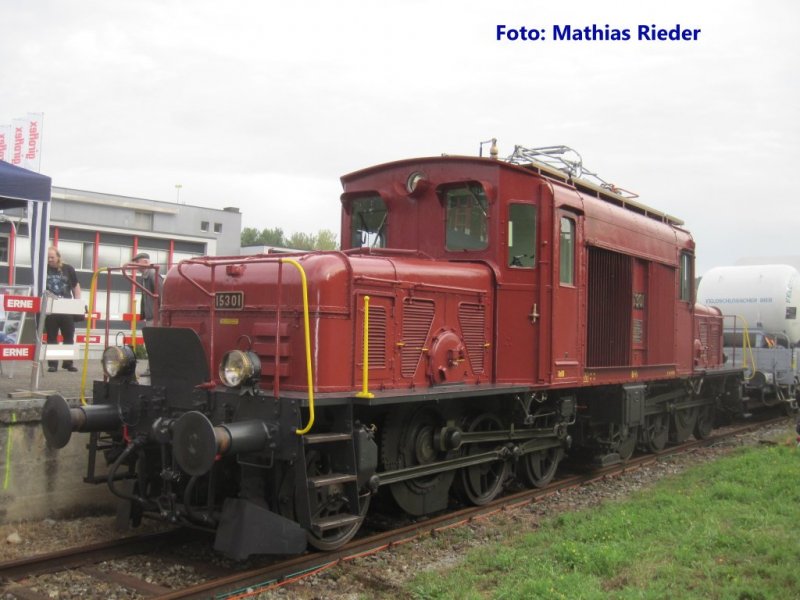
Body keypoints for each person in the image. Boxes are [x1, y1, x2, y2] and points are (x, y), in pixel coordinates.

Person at [45, 246, 81, 372]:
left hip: (67, 307)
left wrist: (78, 303)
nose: (50, 260)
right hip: (50, 308)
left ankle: (68, 363)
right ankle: (53, 364)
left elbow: (76, 286)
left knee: (69, 336)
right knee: (52, 337)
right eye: (48, 257)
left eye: (52, 257)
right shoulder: (44, 269)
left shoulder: (68, 269)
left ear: (58, 257)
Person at [132, 252, 161, 326]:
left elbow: (162, 295)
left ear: (145, 262)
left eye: (137, 262)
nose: (135, 265)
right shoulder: (144, 276)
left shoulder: (153, 275)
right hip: (151, 317)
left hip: (157, 318)